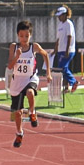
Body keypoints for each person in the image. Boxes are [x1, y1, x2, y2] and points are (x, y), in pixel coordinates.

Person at [6, 20, 51, 148]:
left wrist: (48, 72)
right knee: (18, 113)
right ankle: (19, 133)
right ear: (17, 35)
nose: (24, 39)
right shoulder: (13, 47)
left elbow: (45, 55)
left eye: (26, 36)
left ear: (30, 35)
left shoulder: (34, 47)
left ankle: (32, 113)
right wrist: (17, 56)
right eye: (21, 36)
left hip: (30, 78)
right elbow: (10, 66)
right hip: (17, 82)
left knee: (30, 92)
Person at [50, 5, 77, 93]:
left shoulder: (69, 24)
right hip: (60, 50)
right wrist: (55, 50)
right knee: (63, 68)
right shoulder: (60, 25)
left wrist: (67, 50)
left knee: (62, 68)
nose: (58, 17)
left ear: (65, 15)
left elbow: (69, 37)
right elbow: (58, 39)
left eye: (60, 15)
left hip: (68, 50)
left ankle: (74, 81)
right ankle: (66, 87)